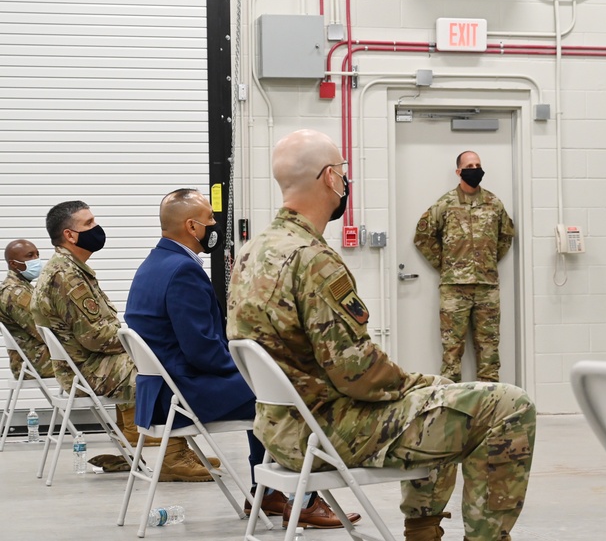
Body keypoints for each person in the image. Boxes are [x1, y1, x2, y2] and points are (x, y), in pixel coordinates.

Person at [227, 130, 535, 541]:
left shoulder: (252, 251)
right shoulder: (313, 260)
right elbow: (357, 372)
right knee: (510, 405)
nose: (344, 180)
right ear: (331, 178)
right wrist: (414, 383)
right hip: (327, 429)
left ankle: (424, 531)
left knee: (443, 393)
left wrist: (423, 386)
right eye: (342, 171)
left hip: (279, 430)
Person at [124, 188, 359, 529]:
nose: (215, 224)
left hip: (159, 392)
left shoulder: (154, 264)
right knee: (291, 392)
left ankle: (266, 492)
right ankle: (303, 500)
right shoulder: (181, 271)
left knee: (266, 383)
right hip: (184, 394)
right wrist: (255, 369)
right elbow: (204, 352)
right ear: (192, 227)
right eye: (210, 219)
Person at [31, 200, 214, 481]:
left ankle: (139, 443)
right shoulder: (66, 276)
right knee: (162, 369)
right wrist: (142, 340)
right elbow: (95, 338)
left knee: (154, 360)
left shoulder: (66, 268)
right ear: (70, 235)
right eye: (89, 223)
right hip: (88, 369)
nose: (97, 228)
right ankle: (174, 457)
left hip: (87, 364)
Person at [413, 151, 515, 382]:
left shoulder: (493, 203)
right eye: (470, 165)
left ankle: (489, 407)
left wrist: (487, 261)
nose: (475, 168)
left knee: (489, 350)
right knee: (452, 352)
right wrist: (446, 264)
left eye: (478, 164)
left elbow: (507, 235)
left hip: (487, 287)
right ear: (459, 171)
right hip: (454, 289)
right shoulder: (446, 204)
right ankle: (452, 407)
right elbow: (422, 236)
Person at [1, 239, 54, 379]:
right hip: (35, 362)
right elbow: (44, 331)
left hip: (39, 357)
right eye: (30, 256)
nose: (36, 259)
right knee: (97, 361)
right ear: (13, 264)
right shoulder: (15, 293)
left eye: (37, 254)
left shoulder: (22, 287)